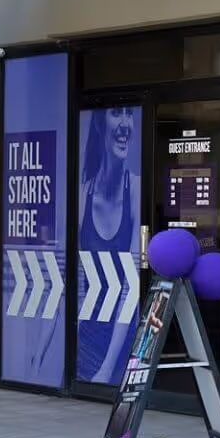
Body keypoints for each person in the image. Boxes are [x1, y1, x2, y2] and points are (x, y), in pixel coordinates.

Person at [77, 106, 141, 385]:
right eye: (117, 113)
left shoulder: (137, 191)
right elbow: (66, 284)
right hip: (87, 344)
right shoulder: (82, 196)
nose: (126, 123)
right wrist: (33, 366)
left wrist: (106, 369)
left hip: (122, 345)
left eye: (130, 114)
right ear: (100, 125)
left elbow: (132, 285)